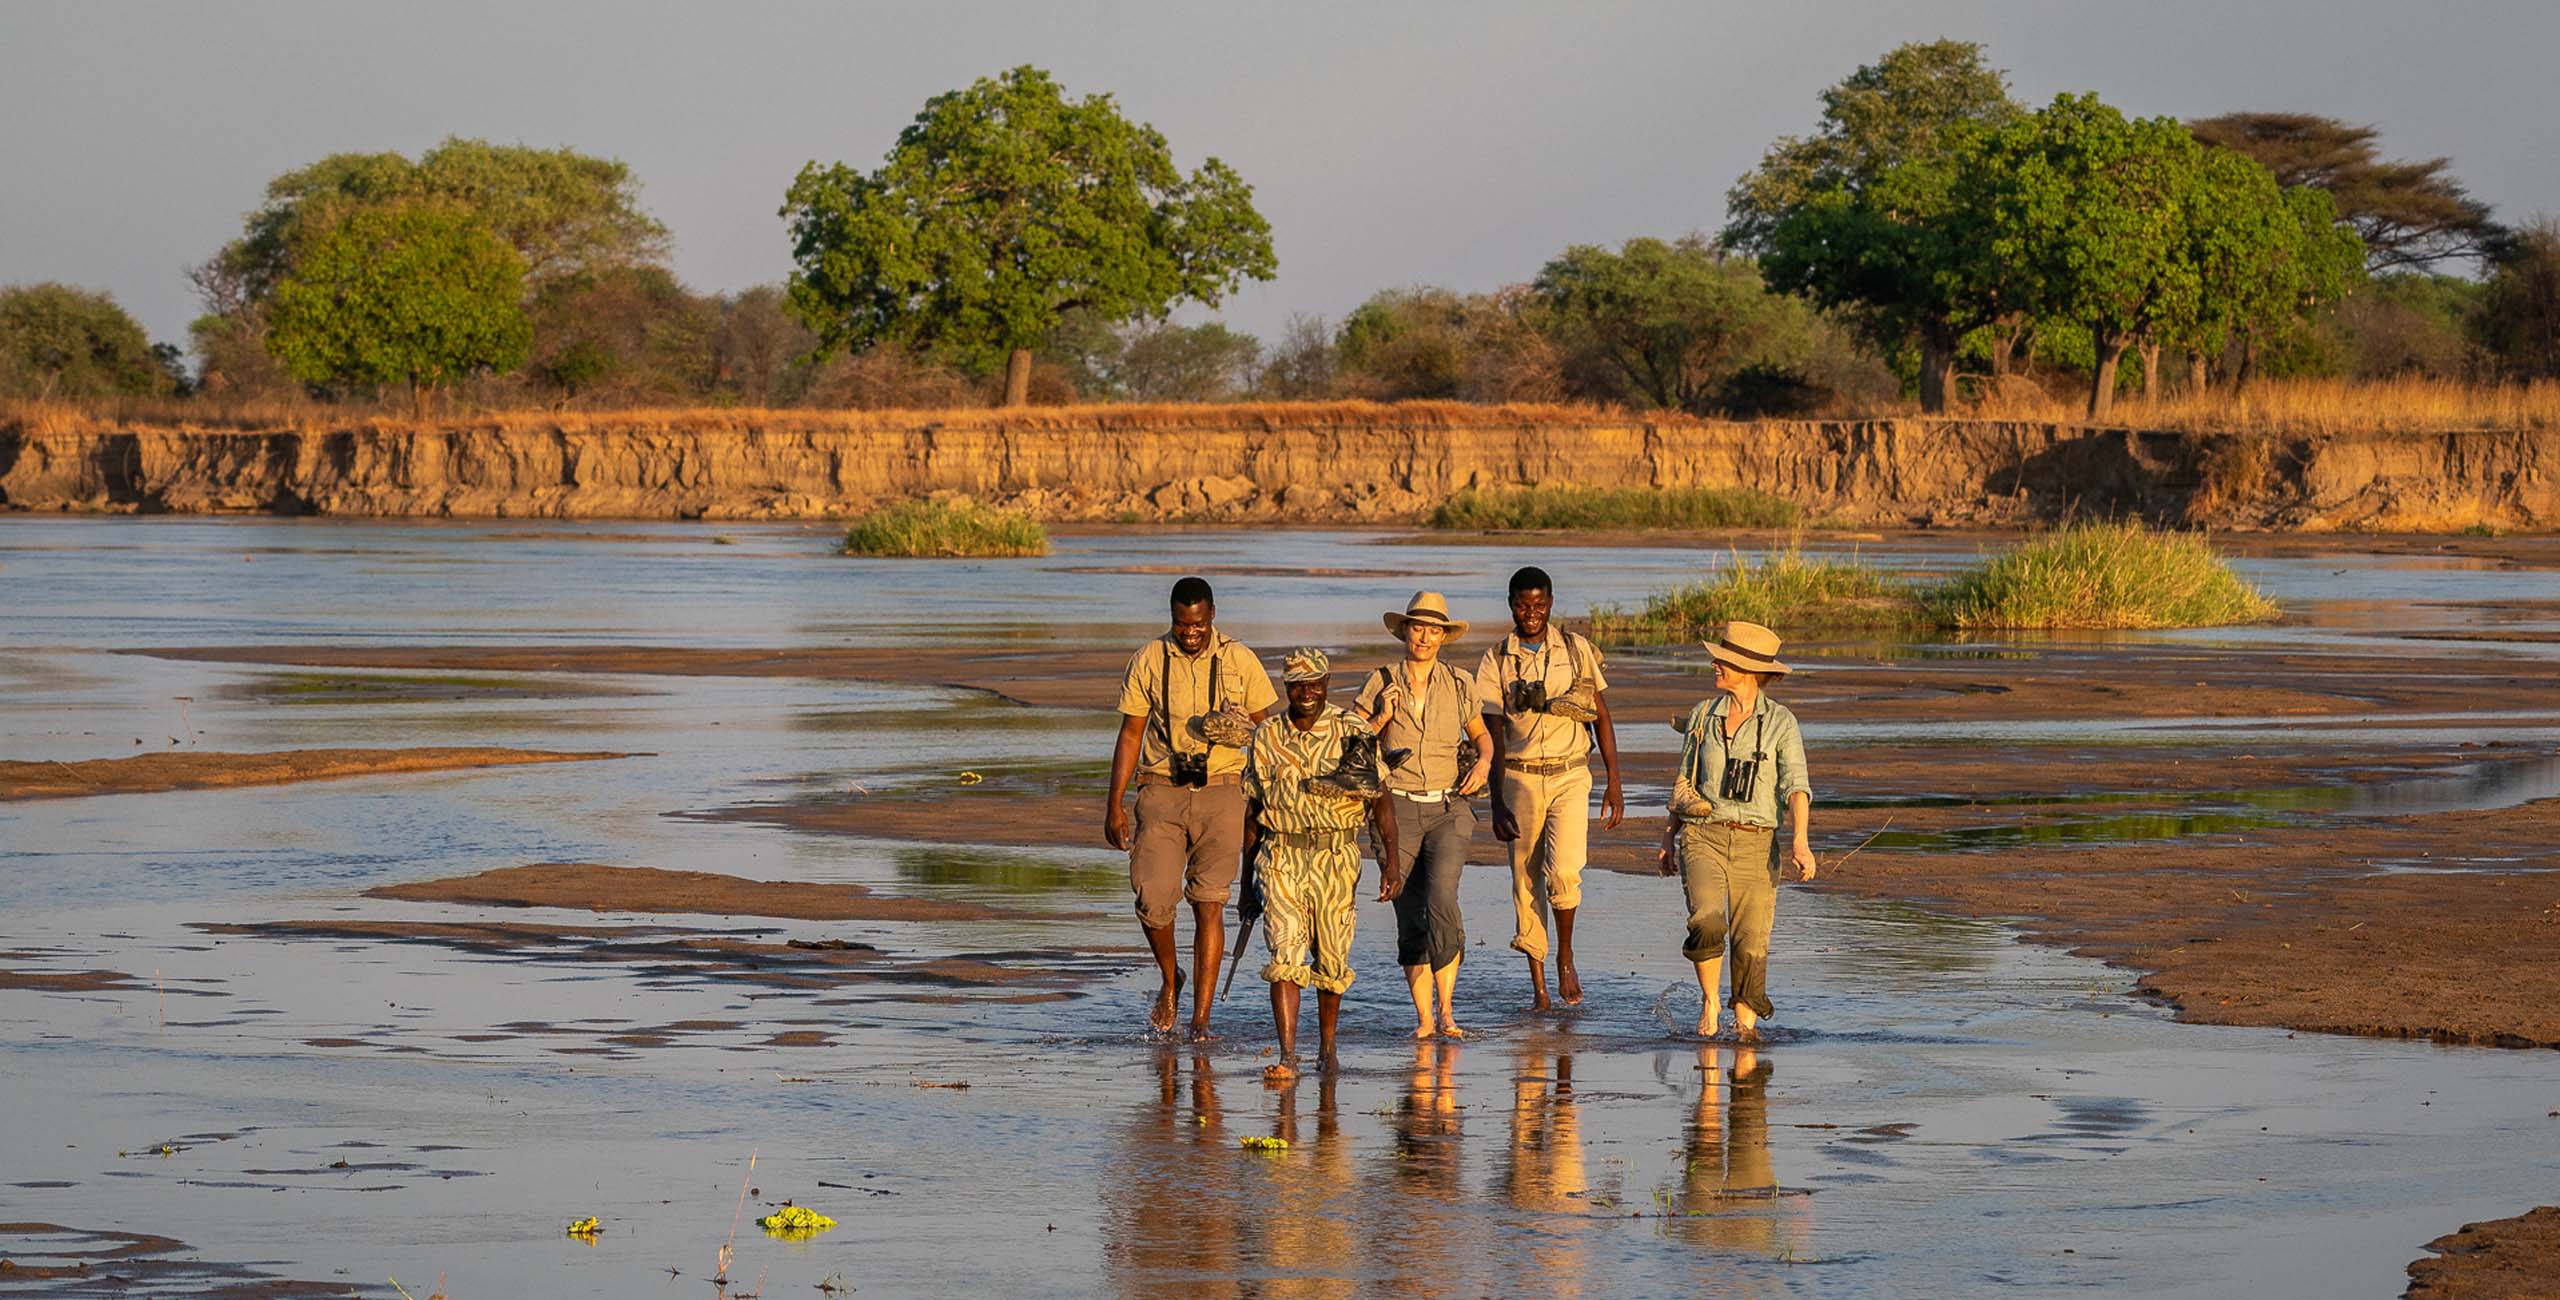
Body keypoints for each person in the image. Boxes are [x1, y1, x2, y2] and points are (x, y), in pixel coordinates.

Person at [1106, 577, 1279, 1040]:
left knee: (1209, 903)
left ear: (1213, 615)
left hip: (1223, 792)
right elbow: (1130, 735)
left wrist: (1270, 788)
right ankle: (1170, 978)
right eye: (1182, 625)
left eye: (1198, 624)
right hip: (1161, 791)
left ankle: (1200, 1022)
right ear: (1171, 618)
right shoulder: (1148, 659)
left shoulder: (1239, 659)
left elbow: (1274, 733)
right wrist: (1114, 805)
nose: (1191, 633)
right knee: (1153, 898)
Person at [1242, 647, 1400, 1079]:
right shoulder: (1266, 736)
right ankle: (1288, 1056)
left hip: (1336, 854)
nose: (1307, 692)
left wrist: (1390, 863)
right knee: (1285, 952)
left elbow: (1380, 798)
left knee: (1331, 959)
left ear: (1328, 683)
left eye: (1316, 682)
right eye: (1298, 684)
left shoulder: (1352, 730)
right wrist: (1245, 885)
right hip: (1281, 855)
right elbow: (1253, 809)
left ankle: (1327, 1048)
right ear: (1285, 686)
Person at [1656, 620, 1814, 1042]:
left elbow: (1796, 785)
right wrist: (1668, 838)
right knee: (1707, 920)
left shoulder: (1782, 722)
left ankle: (1745, 1034)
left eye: (1722, 661)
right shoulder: (1704, 715)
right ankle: (1710, 1001)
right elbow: (1684, 780)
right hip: (1703, 834)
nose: (1714, 665)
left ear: (1747, 670)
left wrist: (1800, 839)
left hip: (1757, 845)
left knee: (1750, 943)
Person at [1474, 566, 1623, 1010]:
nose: (1531, 613)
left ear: (1552, 602)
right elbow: (1491, 731)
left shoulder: (1577, 651)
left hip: (1571, 773)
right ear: (1510, 605)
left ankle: (1565, 957)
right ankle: (1539, 987)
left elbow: (1601, 716)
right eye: (1523, 605)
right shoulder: (1497, 658)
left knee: (1564, 871)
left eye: (1539, 604)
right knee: (1525, 881)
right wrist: (1496, 799)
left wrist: (1615, 783)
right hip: (1519, 776)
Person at [1354, 591, 1493, 1040]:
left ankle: (1449, 1012)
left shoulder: (1459, 682)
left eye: (1434, 630)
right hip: (1394, 807)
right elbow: (1351, 745)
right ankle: (1425, 1020)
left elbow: (1482, 736)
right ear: (1405, 632)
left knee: (1441, 896)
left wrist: (1485, 762)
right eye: (1418, 628)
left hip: (1449, 808)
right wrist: (1380, 718)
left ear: (1444, 637)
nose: (1425, 637)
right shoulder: (1379, 680)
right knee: (1410, 911)